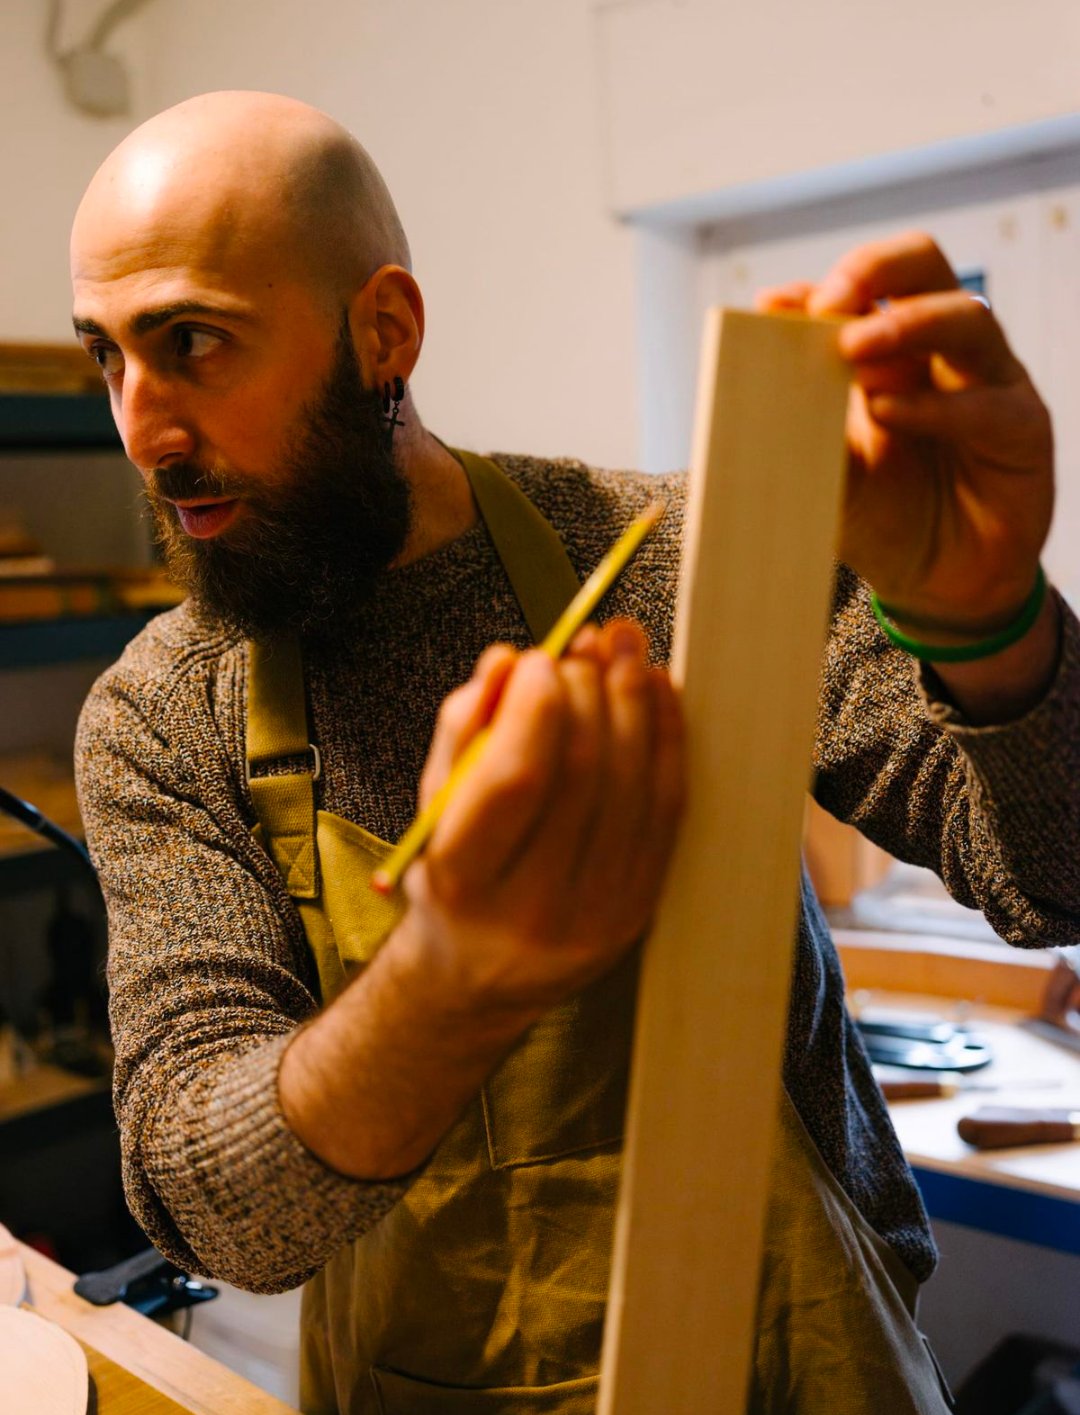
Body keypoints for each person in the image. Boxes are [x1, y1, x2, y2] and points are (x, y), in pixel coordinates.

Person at [71, 91, 1079, 1415]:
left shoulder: (682, 561)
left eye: (192, 343)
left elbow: (1057, 880)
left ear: (384, 333)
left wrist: (986, 622)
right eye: (107, 359)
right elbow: (215, 1209)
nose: (143, 430)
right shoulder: (162, 713)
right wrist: (448, 981)